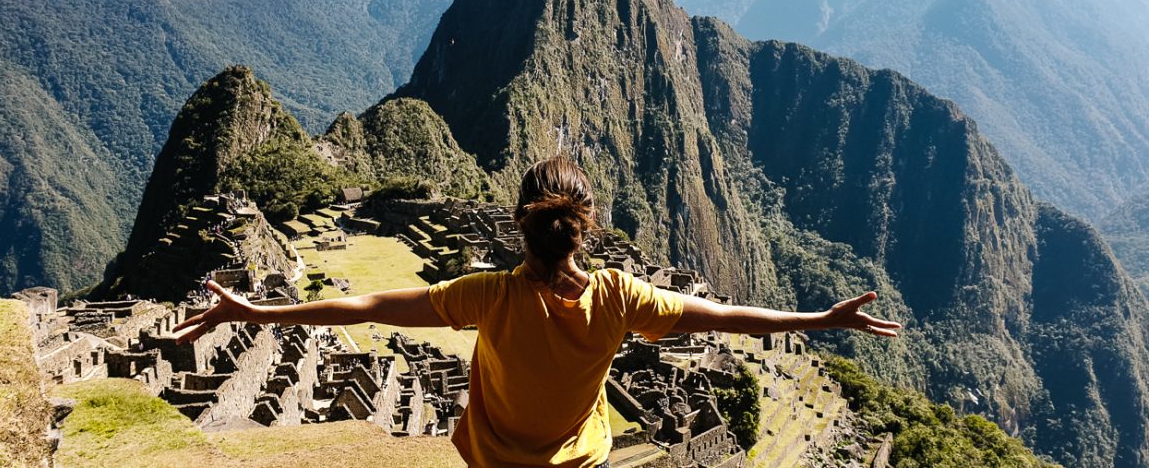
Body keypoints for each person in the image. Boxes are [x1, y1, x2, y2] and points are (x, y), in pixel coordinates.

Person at [174, 157, 901, 467]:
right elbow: (731, 315)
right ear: (586, 225)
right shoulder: (620, 296)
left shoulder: (487, 295)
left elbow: (363, 304)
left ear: (519, 223)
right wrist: (820, 320)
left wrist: (262, 312)